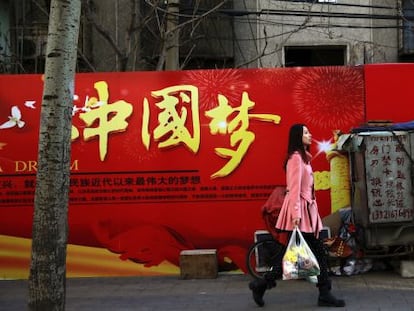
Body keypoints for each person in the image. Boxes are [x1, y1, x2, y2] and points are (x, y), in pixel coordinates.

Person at [249, 123, 345, 308]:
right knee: (316, 252)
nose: (310, 135)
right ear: (297, 137)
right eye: (306, 133)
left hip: (306, 213)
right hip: (301, 214)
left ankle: (261, 284)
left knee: (292, 254)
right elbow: (293, 189)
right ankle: (324, 293)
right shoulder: (295, 159)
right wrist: (296, 215)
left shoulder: (304, 159)